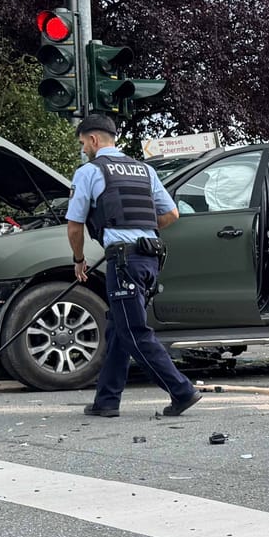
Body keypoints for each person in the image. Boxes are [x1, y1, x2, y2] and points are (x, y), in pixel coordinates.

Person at [66, 113, 201, 418]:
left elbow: (75, 227)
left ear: (93, 140)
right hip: (149, 258)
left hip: (124, 261)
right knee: (118, 328)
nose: (83, 149)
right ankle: (107, 401)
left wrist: (79, 260)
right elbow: (171, 215)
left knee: (133, 330)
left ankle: (181, 390)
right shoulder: (144, 170)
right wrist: (138, 228)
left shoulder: (89, 171)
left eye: (83, 144)